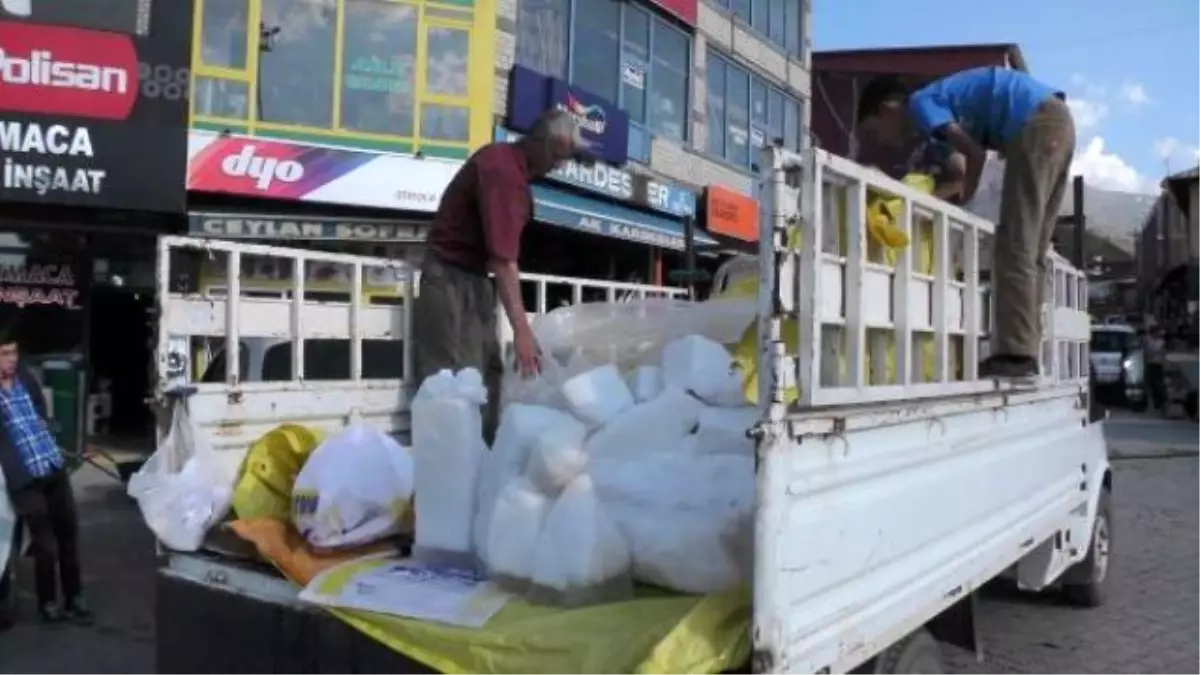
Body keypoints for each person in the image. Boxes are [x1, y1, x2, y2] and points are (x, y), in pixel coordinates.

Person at [857, 67, 1076, 378]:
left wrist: (967, 206)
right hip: (1056, 122)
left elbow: (974, 154)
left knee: (1015, 245)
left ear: (886, 108)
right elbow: (959, 175)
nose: (882, 140)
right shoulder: (939, 124)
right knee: (1033, 251)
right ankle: (1026, 350)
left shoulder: (922, 103)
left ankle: (1016, 356)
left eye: (874, 130)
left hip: (1036, 123)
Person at [413, 109, 589, 443]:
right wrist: (522, 331)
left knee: (485, 376)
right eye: (556, 155)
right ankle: (449, 477)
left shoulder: (512, 173)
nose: (558, 166)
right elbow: (504, 260)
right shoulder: (502, 173)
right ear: (537, 143)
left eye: (564, 159)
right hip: (450, 278)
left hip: (474, 279)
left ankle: (483, 466)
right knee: (453, 384)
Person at [0, 329, 91, 625]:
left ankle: (74, 598)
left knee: (68, 535)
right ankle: (48, 603)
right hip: (25, 478)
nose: (10, 360)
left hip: (51, 464)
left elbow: (39, 408)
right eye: (3, 354)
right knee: (45, 544)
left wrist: (50, 437)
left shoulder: (25, 378)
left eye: (13, 352)